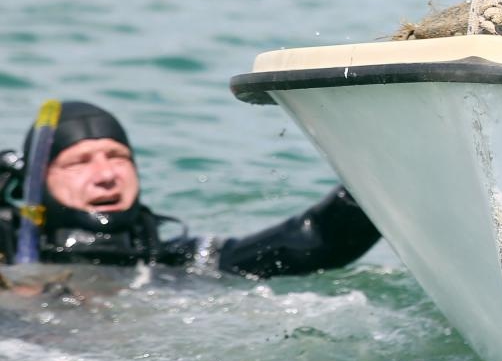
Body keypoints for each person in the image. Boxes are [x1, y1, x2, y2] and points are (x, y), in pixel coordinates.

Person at [0, 100, 381, 277]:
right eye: (78, 162)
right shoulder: (9, 258)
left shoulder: (175, 261)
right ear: (37, 184)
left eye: (117, 157)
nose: (105, 175)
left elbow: (311, 244)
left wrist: (383, 166)